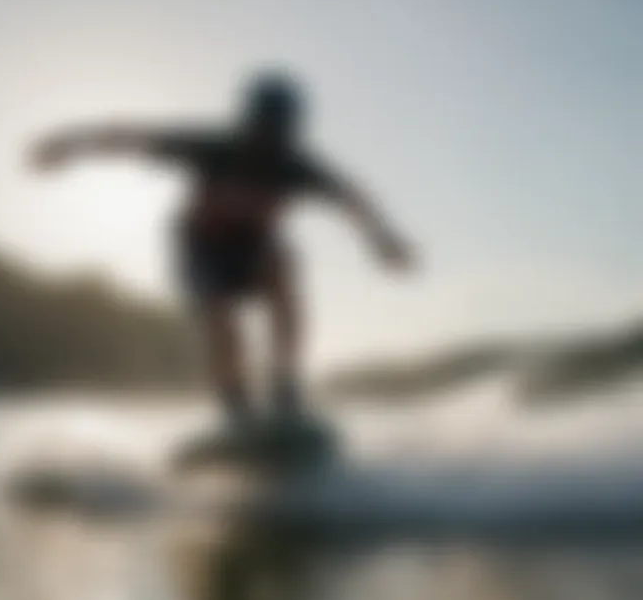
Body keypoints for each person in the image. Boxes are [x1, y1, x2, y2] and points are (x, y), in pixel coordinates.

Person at [29, 71, 417, 427]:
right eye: (262, 129)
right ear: (248, 122)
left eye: (279, 133)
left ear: (291, 131)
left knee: (283, 269)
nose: (268, 142)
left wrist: (383, 241)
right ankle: (235, 405)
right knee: (223, 322)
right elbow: (133, 139)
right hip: (202, 251)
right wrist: (68, 145)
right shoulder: (213, 148)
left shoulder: (296, 166)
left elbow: (352, 199)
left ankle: (284, 386)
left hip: (254, 251)